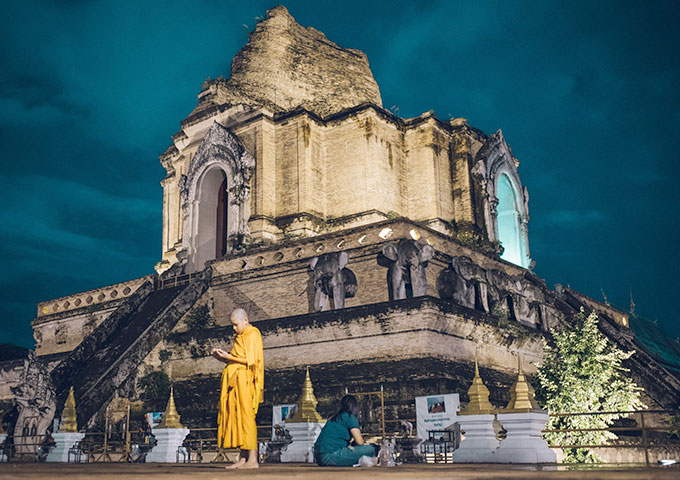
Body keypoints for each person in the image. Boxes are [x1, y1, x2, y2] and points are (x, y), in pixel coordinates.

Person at [211, 308, 264, 469]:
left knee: (247, 417)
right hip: (235, 382)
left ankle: (253, 459)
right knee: (237, 418)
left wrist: (228, 357)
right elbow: (237, 360)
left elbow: (252, 361)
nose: (234, 328)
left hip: (246, 381)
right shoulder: (241, 336)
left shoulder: (253, 334)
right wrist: (221, 357)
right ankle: (243, 458)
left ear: (245, 320)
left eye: (236, 325)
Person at [313, 395, 377, 466]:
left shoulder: (334, 418)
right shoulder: (349, 417)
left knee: (356, 448)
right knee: (371, 449)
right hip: (331, 456)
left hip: (319, 458)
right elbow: (360, 442)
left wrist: (348, 446)